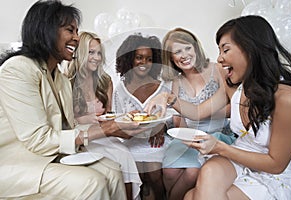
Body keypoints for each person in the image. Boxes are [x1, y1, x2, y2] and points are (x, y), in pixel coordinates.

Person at [0, 1, 145, 199]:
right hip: (20, 164)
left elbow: (69, 129)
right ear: (46, 30)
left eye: (77, 31)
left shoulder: (58, 77)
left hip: (51, 156)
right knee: (92, 183)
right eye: (70, 30)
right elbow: (38, 140)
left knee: (113, 171)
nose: (76, 38)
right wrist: (108, 128)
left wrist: (117, 125)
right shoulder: (17, 69)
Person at [145, 15, 291, 199]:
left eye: (225, 50)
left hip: (271, 173)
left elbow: (276, 164)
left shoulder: (287, 98)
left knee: (191, 196)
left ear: (250, 49)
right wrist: (167, 97)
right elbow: (197, 112)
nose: (219, 58)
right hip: (239, 155)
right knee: (203, 177)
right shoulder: (239, 89)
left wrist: (219, 147)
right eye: (219, 51)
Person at [160, 27, 236, 200]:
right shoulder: (176, 81)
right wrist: (185, 133)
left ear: (196, 48)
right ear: (170, 57)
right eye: (177, 51)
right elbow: (179, 117)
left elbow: (235, 107)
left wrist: (204, 115)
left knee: (192, 172)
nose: (184, 54)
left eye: (188, 48)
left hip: (217, 133)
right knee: (169, 171)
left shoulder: (217, 69)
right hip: (188, 134)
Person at [67, 31, 142, 200]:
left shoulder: (104, 80)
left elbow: (108, 115)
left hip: (102, 130)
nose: (97, 58)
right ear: (80, 53)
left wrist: (125, 117)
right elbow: (65, 120)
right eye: (91, 52)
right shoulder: (68, 81)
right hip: (81, 135)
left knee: (125, 154)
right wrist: (86, 119)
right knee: (119, 157)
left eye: (99, 53)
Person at [113, 33, 171, 199]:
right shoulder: (121, 89)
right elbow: (118, 119)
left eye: (149, 59)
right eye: (139, 57)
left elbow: (173, 118)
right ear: (130, 58)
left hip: (156, 141)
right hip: (131, 140)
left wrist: (162, 127)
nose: (144, 63)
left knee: (153, 173)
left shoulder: (163, 87)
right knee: (137, 172)